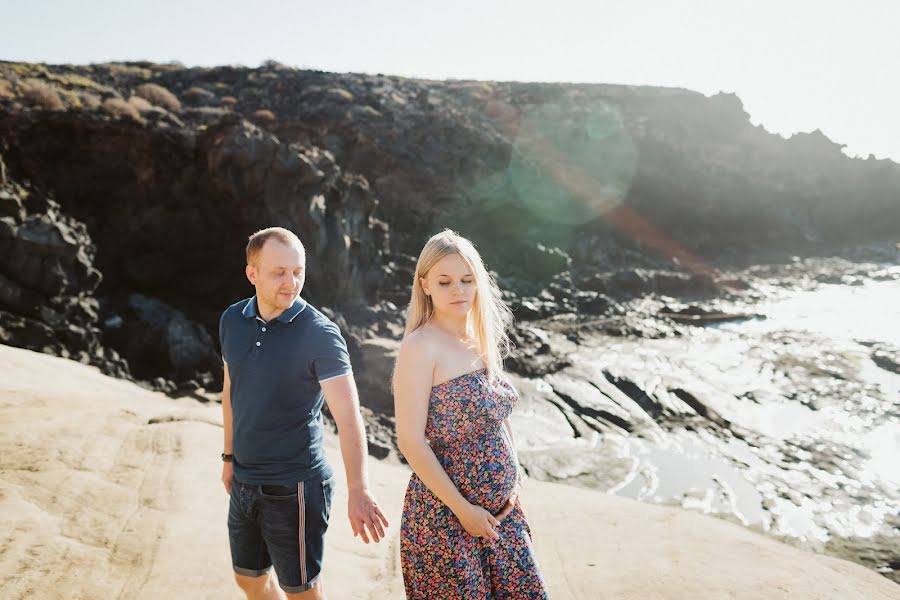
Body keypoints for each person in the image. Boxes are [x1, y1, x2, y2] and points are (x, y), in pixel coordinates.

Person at [219, 227, 389, 599]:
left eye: (298, 271)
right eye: (279, 272)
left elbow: (348, 418)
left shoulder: (320, 334)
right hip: (245, 482)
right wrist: (229, 457)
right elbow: (231, 391)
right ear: (253, 274)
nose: (291, 282)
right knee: (249, 579)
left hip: (295, 488)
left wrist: (359, 490)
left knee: (302, 592)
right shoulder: (232, 320)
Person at [393, 229, 549, 599]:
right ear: (425, 283)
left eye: (467, 280)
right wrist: (464, 510)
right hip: (447, 521)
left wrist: (515, 476)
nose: (457, 290)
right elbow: (410, 442)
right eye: (445, 281)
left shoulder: (480, 336)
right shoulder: (420, 346)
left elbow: (497, 413)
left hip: (503, 516)